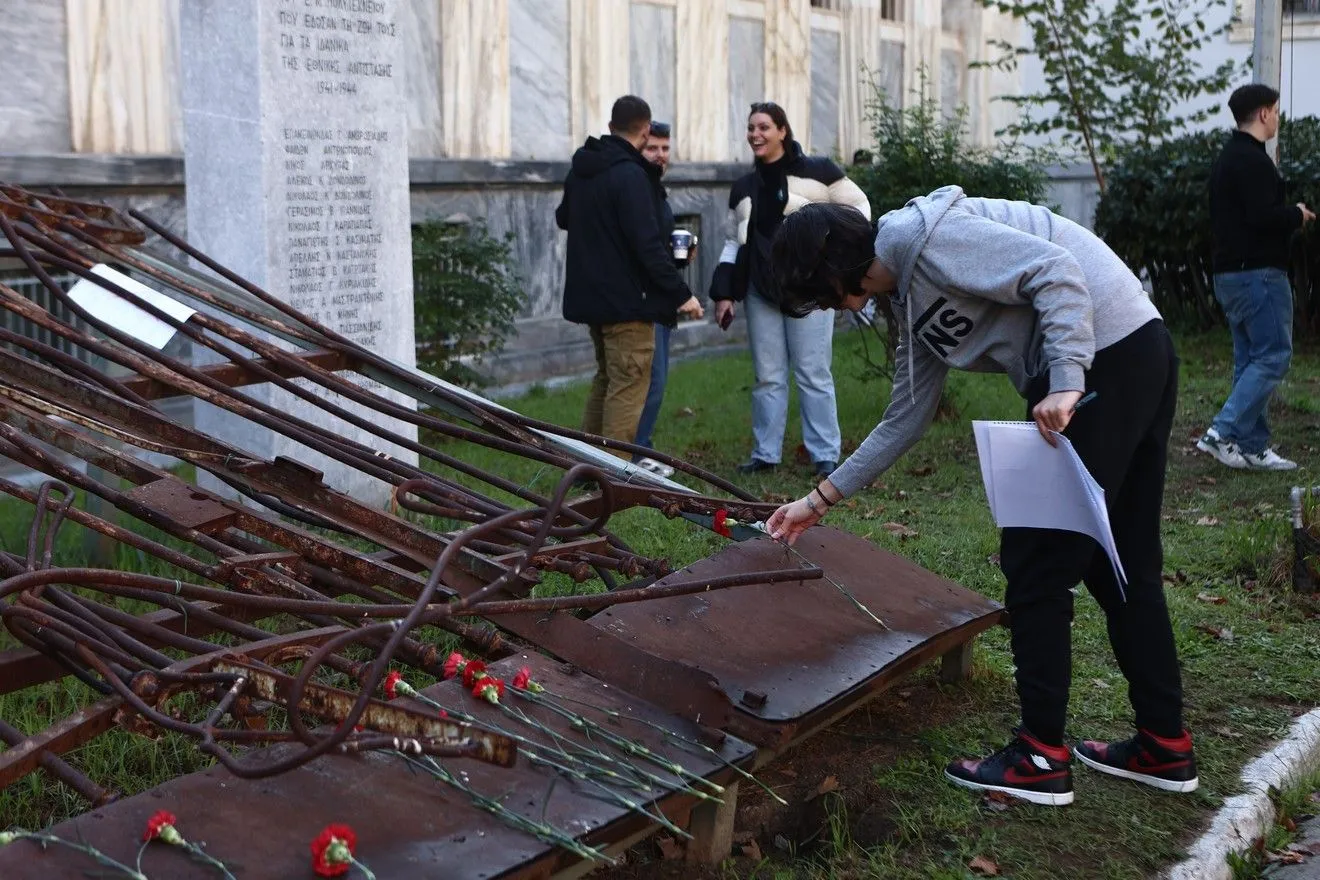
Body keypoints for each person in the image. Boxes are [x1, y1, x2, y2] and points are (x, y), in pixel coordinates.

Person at [765, 191, 1196, 807]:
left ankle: (1041, 759)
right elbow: (905, 417)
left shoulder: (928, 240)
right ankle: (1164, 745)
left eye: (820, 296)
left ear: (831, 272)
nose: (830, 310)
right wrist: (820, 499)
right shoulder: (905, 292)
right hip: (1129, 351)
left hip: (1101, 361)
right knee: (1119, 559)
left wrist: (1069, 380)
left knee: (1036, 564)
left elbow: (1056, 270)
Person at [709, 101, 871, 478]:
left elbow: (860, 210)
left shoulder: (819, 172)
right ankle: (765, 454)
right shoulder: (744, 187)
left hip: (811, 290)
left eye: (763, 127)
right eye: (751, 128)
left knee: (813, 371)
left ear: (783, 130)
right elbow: (734, 243)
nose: (755, 134)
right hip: (760, 292)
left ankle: (825, 454)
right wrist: (724, 293)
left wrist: (836, 257)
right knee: (768, 376)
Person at [556, 96, 704, 457]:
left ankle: (584, 466)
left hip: (593, 298)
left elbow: (564, 218)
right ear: (645, 130)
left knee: (607, 380)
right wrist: (682, 294)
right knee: (628, 386)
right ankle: (613, 477)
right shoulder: (631, 175)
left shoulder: (584, 169)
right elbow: (647, 246)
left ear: (611, 127)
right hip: (629, 304)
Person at [1198, 83, 1314, 471]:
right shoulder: (1253, 162)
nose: (1278, 117)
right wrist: (1296, 215)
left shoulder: (1228, 159)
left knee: (1250, 361)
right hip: (1259, 276)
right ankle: (1221, 432)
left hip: (1231, 276)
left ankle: (1252, 446)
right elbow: (1263, 219)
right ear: (1264, 113)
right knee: (1274, 357)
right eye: (1276, 111)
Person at [633, 120, 696, 479]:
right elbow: (645, 251)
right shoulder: (639, 188)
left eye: (665, 148)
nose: (660, 155)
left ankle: (639, 449)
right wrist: (681, 293)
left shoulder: (653, 188)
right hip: (645, 299)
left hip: (658, 296)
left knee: (653, 379)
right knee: (650, 380)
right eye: (652, 148)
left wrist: (681, 256)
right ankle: (635, 454)